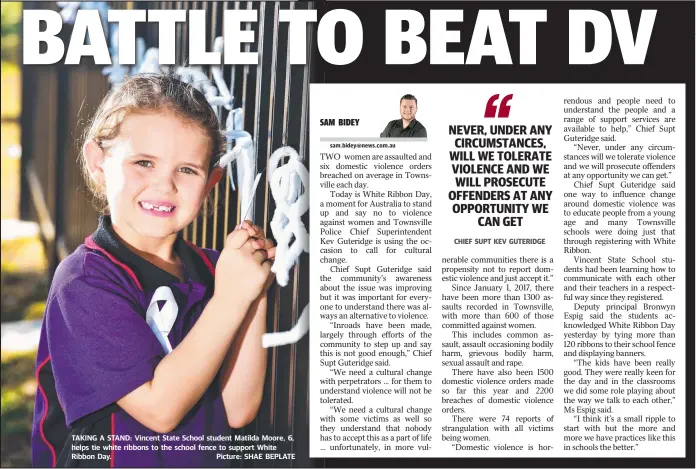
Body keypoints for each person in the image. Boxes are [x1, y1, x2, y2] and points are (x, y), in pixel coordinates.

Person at [31, 74, 275, 467]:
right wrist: (232, 297)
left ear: (210, 182)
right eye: (143, 162)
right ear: (99, 163)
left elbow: (238, 409)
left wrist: (252, 290)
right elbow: (159, 410)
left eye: (187, 170)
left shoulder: (219, 273)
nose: (164, 185)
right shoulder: (85, 282)